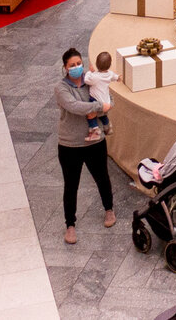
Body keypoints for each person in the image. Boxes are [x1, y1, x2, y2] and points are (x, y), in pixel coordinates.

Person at [54, 47, 115, 244]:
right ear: (65, 67)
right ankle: (70, 225)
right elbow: (74, 106)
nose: (76, 67)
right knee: (71, 185)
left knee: (102, 177)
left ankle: (109, 209)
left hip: (95, 143)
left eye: (79, 63)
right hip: (70, 145)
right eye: (72, 65)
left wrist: (101, 108)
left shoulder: (92, 80)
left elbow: (110, 101)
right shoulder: (61, 88)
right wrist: (97, 107)